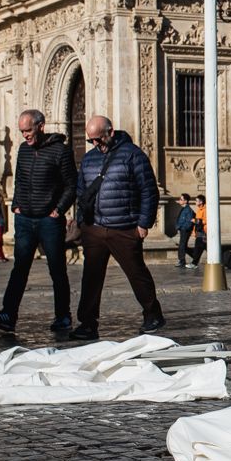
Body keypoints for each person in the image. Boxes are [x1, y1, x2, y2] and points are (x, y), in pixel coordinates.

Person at [0, 109, 77, 335]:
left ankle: (63, 316)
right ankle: (8, 314)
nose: (25, 135)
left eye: (28, 130)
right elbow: (20, 180)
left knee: (57, 270)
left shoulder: (61, 151)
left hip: (49, 220)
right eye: (22, 131)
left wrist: (58, 210)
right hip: (25, 219)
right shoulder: (23, 150)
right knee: (20, 268)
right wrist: (17, 205)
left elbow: (71, 185)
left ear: (41, 126)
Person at [72, 115, 164, 339]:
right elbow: (81, 191)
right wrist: (81, 220)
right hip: (94, 227)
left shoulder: (133, 155)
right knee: (91, 278)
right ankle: (87, 323)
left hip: (124, 227)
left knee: (136, 273)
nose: (96, 144)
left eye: (99, 140)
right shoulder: (89, 159)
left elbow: (149, 190)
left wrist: (143, 223)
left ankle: (153, 314)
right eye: (91, 140)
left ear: (110, 133)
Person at [174, 193, 196, 269]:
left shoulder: (188, 210)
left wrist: (182, 227)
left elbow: (189, 222)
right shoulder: (184, 209)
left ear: (185, 201)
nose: (179, 201)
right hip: (183, 229)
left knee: (182, 245)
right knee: (183, 246)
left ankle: (182, 261)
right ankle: (195, 256)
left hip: (185, 230)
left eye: (181, 199)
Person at [191, 194, 208, 269]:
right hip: (199, 232)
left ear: (201, 202)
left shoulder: (205, 209)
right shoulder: (199, 210)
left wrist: (195, 220)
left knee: (198, 248)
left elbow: (206, 221)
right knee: (200, 248)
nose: (195, 202)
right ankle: (194, 263)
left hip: (203, 232)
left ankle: (194, 263)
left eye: (196, 201)